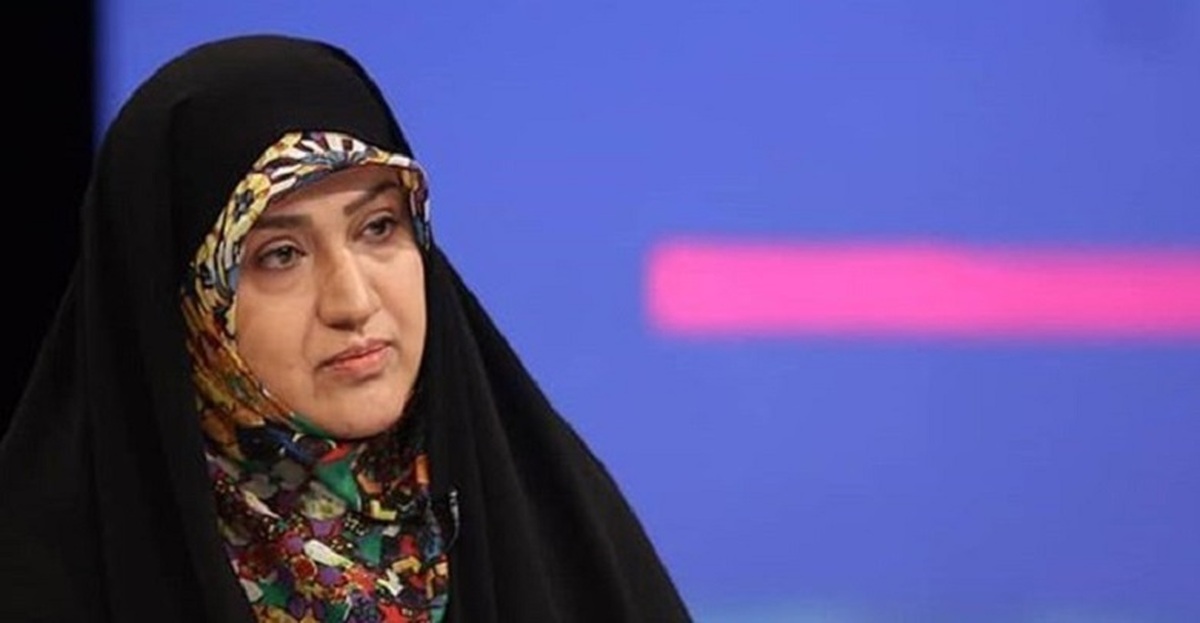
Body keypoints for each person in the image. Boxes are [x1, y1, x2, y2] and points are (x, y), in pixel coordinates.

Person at [0, 35, 691, 622]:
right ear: (188, 306)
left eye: (378, 227)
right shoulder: (46, 571)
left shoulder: (560, 535)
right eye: (280, 254)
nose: (353, 301)